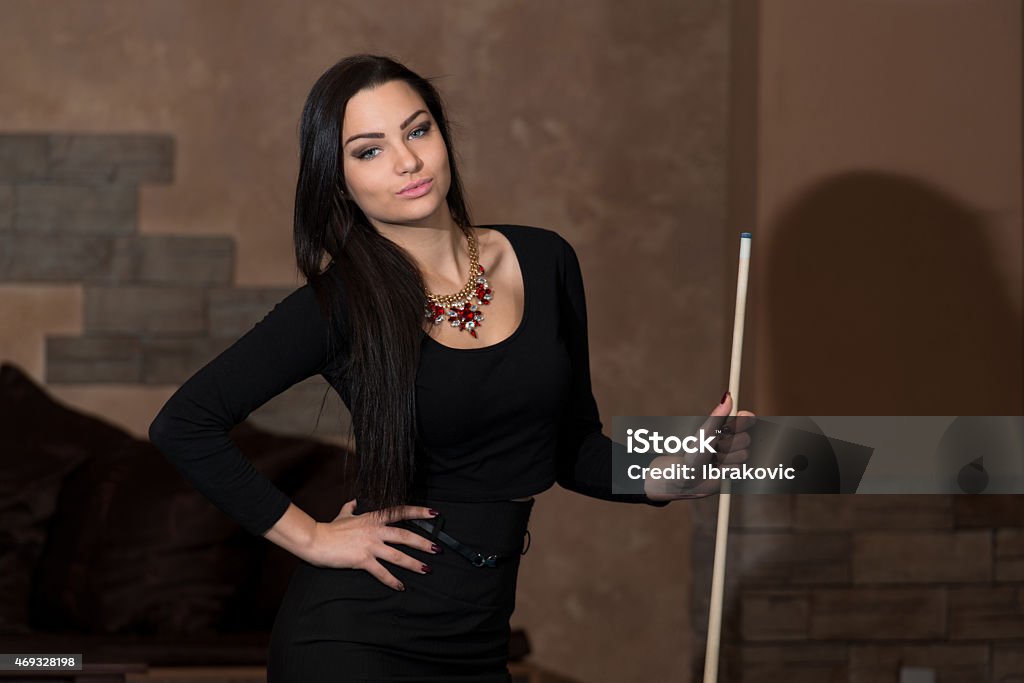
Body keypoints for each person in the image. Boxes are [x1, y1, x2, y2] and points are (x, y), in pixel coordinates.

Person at [147, 53, 754, 683]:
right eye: (368, 150)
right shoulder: (340, 303)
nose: (406, 162)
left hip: (477, 635)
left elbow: (569, 446)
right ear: (338, 178)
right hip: (354, 642)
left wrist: (667, 474)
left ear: (441, 134)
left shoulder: (545, 260)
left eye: (416, 131)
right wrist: (314, 539)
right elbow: (185, 423)